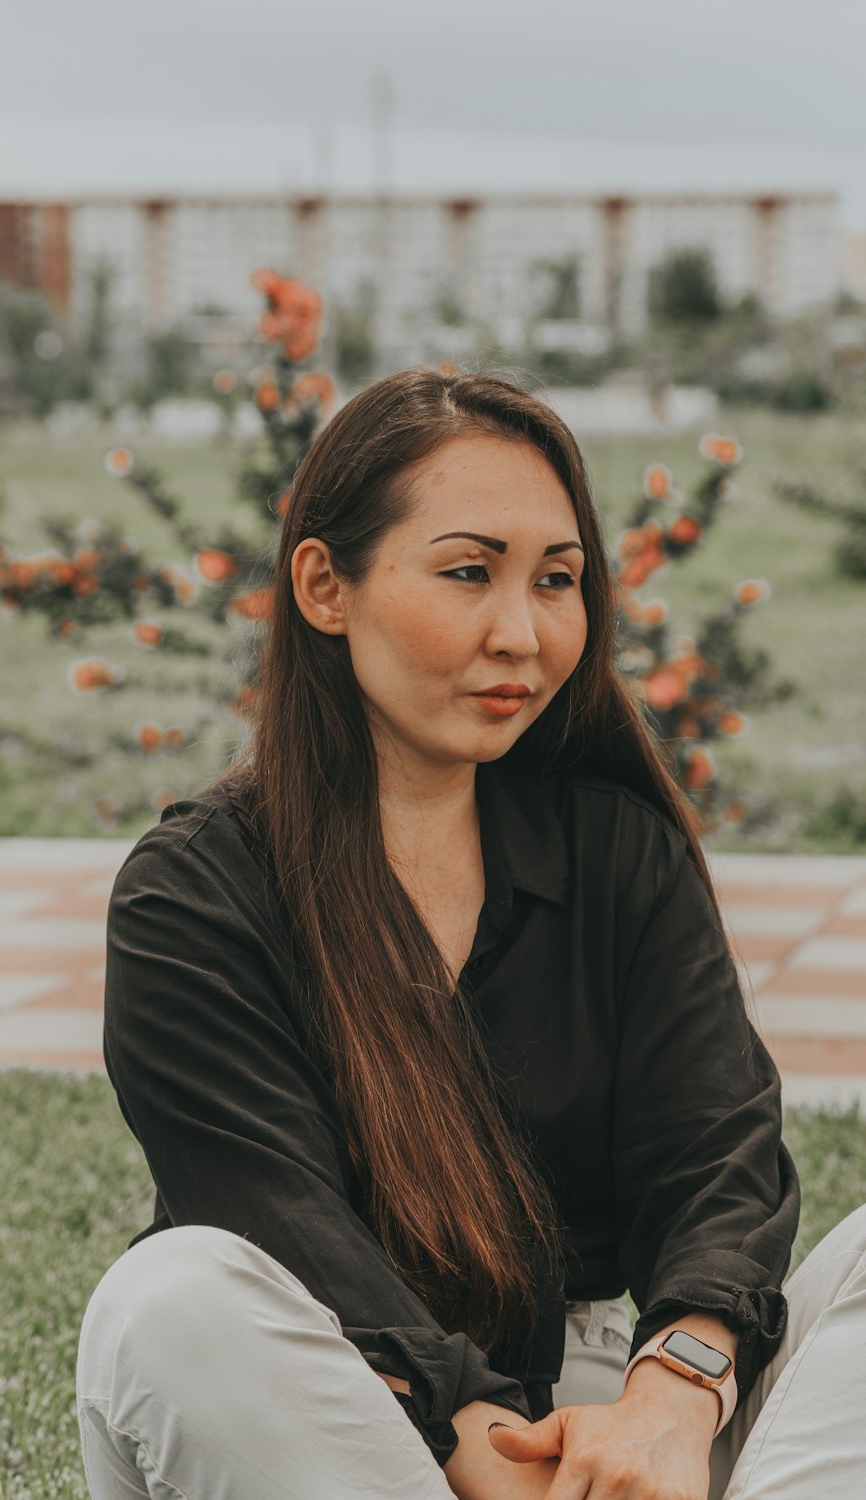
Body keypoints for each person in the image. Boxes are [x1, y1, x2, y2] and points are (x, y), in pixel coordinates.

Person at [76, 368, 866, 1500]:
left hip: (621, 1433)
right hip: (349, 1417)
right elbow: (287, 1228)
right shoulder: (197, 896)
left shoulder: (615, 856)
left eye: (557, 581)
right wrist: (475, 1443)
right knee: (171, 1297)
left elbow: (716, 1167)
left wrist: (668, 1404)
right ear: (323, 586)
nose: (522, 633)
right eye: (466, 574)